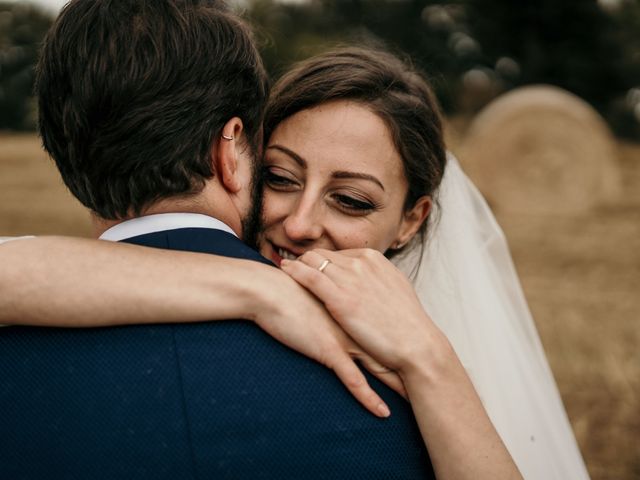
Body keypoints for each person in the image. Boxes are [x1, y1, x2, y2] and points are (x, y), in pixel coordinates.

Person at [0, 1, 523, 479]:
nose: (297, 226)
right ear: (233, 152)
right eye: (279, 176)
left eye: (352, 200)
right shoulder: (395, 403)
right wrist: (258, 287)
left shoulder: (432, 386)